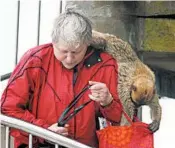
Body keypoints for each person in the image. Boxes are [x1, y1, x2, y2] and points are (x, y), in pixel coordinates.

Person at [1, 9, 122, 148]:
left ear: (87, 44)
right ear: (53, 42)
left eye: (76, 52)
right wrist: (43, 131)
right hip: (37, 144)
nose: (69, 59)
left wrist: (108, 102)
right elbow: (7, 109)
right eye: (63, 51)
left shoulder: (105, 65)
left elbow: (122, 120)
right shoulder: (35, 60)